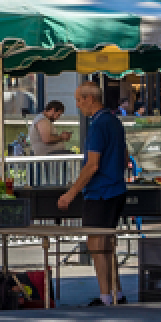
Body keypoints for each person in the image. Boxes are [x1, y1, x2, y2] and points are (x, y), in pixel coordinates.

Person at [58, 82, 129, 306]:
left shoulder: (97, 125)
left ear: (90, 99)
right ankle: (116, 292)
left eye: (79, 100)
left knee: (97, 243)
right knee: (108, 242)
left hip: (100, 192)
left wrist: (71, 193)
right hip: (117, 188)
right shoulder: (115, 121)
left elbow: (92, 165)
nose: (78, 105)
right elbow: (125, 154)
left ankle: (105, 296)